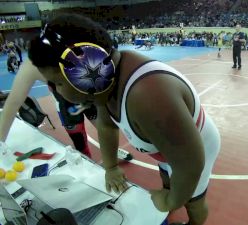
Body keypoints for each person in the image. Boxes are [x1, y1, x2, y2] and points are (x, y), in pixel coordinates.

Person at [28, 14, 220, 225]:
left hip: (195, 150)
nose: (53, 90)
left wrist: (171, 199)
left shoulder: (148, 98)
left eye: (56, 82)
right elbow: (106, 124)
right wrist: (110, 167)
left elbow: (190, 165)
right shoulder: (106, 80)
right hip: (171, 148)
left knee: (193, 201)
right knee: (168, 179)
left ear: (84, 72)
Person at [0, 57, 96, 158]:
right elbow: (13, 103)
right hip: (68, 107)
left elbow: (13, 103)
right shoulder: (33, 64)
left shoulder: (32, 65)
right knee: (82, 147)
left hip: (89, 98)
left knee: (108, 132)